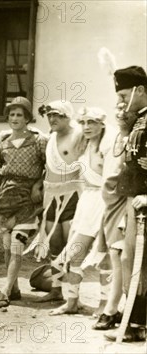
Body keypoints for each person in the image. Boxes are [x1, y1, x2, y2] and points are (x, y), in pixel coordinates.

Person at [48, 107, 116, 316]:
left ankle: (104, 305)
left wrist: (108, 209)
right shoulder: (83, 146)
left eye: (92, 122)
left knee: (103, 257)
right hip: (86, 203)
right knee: (74, 255)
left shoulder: (107, 149)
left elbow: (112, 182)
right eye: (84, 122)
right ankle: (71, 302)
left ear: (101, 124)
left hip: (105, 204)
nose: (87, 127)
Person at [103, 66, 147, 342]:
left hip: (144, 201)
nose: (119, 101)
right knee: (134, 262)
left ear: (140, 91)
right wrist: (123, 127)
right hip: (135, 200)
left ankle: (135, 324)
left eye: (123, 94)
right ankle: (136, 322)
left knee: (140, 263)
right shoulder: (138, 123)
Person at [0, 97, 47, 308]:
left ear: (27, 118)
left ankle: (4, 291)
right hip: (6, 199)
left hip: (28, 200)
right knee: (7, 247)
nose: (15, 119)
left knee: (16, 245)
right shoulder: (3, 142)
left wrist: (38, 185)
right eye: (12, 115)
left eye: (19, 115)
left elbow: (48, 167)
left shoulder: (38, 141)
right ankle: (13, 287)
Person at [33, 101, 85, 303]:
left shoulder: (79, 135)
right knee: (54, 244)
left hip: (72, 196)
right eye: (49, 116)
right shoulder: (51, 138)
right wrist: (38, 185)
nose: (52, 119)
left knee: (71, 246)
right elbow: (47, 168)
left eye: (57, 115)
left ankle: (73, 295)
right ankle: (56, 289)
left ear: (67, 117)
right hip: (51, 197)